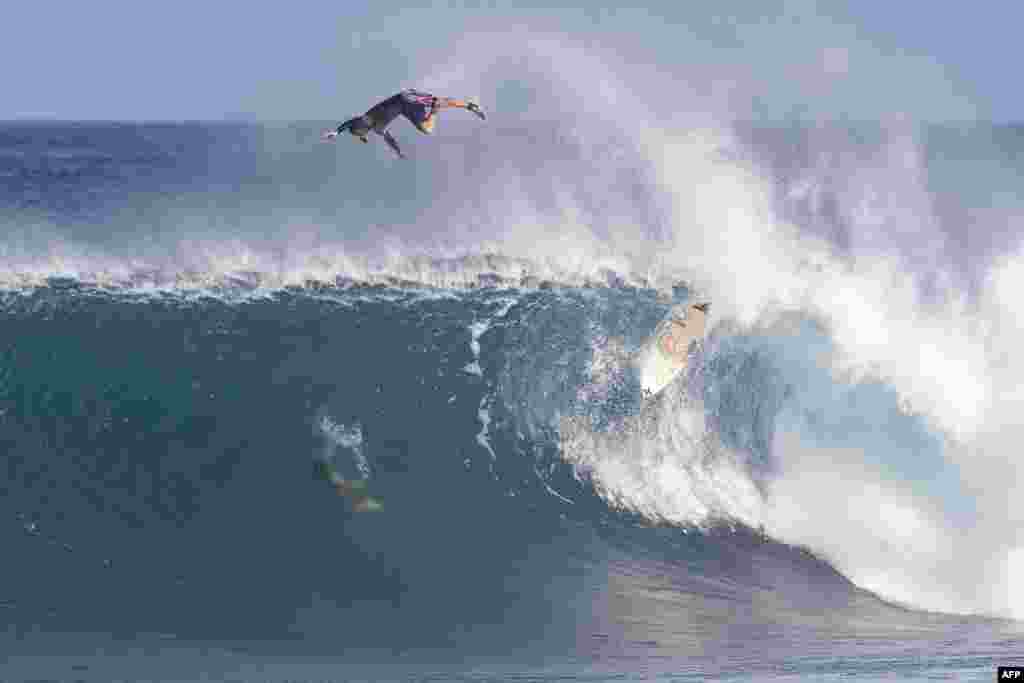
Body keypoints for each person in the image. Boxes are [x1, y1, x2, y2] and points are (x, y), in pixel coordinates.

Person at [322, 89, 486, 158]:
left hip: (406, 98)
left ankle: (470, 105)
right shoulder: (378, 129)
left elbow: (351, 122)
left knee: (439, 102)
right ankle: (437, 108)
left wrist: (336, 132)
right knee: (427, 129)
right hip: (407, 107)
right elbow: (390, 140)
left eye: (360, 132)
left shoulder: (367, 119)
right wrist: (398, 152)